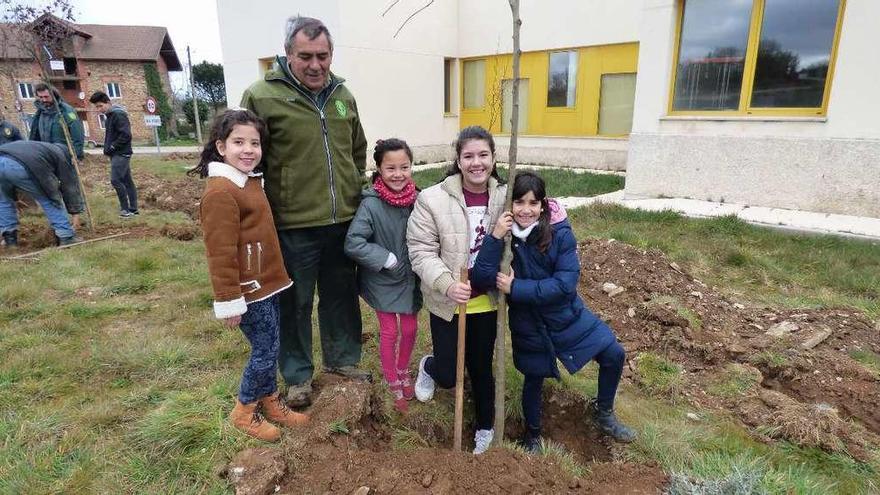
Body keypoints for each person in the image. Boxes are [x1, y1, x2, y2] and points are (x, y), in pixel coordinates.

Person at [241, 15, 370, 407]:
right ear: (288, 54)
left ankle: (343, 359)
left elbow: (357, 148)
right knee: (294, 301)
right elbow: (246, 156)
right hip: (292, 224)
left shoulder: (343, 95)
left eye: (323, 56)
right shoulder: (261, 96)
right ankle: (297, 376)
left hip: (342, 220)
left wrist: (353, 189)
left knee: (341, 294)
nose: (316, 65)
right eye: (306, 56)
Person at [472, 172, 636, 453]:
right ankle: (533, 435)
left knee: (613, 354)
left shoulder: (559, 233)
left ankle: (604, 413)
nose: (526, 210)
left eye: (533, 203)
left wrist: (516, 287)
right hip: (529, 324)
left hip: (566, 316)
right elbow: (481, 276)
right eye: (519, 202)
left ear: (543, 205)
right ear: (510, 205)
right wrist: (496, 236)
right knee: (534, 377)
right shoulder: (505, 237)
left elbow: (565, 284)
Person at [189, 109, 308, 442]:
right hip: (248, 291)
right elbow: (220, 252)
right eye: (238, 142)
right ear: (221, 146)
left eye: (254, 143)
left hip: (266, 285)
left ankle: (271, 402)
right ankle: (244, 411)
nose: (248, 149)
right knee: (265, 351)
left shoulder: (248, 182)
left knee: (272, 344)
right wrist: (229, 299)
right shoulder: (221, 193)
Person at [407, 126, 507, 454]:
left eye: (483, 155)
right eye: (468, 156)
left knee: (481, 369)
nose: (476, 163)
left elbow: (531, 228)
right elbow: (420, 250)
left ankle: (484, 428)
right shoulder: (432, 199)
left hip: (487, 303)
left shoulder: (505, 197)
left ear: (493, 158)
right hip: (447, 302)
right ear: (458, 160)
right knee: (449, 375)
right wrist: (448, 285)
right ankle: (430, 366)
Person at [344, 138, 421, 413]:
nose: (398, 174)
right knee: (390, 331)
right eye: (390, 168)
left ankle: (403, 370)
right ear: (379, 168)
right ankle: (392, 381)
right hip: (382, 280)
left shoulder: (418, 199)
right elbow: (354, 242)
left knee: (411, 328)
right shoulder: (371, 205)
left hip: (410, 279)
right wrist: (385, 258)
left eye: (404, 167)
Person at [0, 141, 83, 248]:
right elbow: (69, 185)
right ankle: (65, 236)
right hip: (20, 165)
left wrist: (14, 197)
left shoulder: (41, 147)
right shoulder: (61, 156)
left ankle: (10, 240)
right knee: (49, 198)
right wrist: (75, 213)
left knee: (4, 201)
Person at [89, 91, 138, 218]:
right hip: (117, 153)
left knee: (115, 180)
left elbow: (126, 135)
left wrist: (112, 147)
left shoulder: (118, 115)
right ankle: (134, 209)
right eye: (96, 107)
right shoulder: (110, 116)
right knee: (127, 181)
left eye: (100, 106)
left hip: (121, 153)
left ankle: (125, 210)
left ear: (108, 103)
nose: (99, 109)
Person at [29, 83, 85, 160]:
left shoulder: (66, 111)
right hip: (46, 156)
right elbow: (35, 135)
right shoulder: (40, 113)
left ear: (53, 95)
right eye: (41, 97)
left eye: (46, 97)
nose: (44, 100)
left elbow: (78, 135)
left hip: (63, 156)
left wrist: (77, 155)